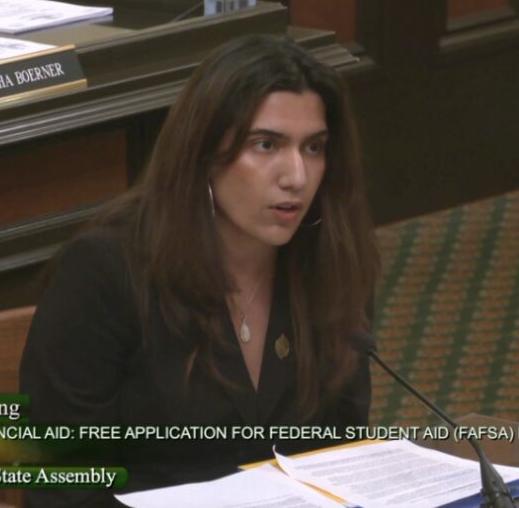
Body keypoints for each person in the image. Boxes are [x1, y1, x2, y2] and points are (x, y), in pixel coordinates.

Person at [19, 34, 379, 506]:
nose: (296, 176)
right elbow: (61, 483)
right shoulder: (104, 273)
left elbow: (341, 456)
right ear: (204, 153)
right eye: (266, 145)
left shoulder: (330, 265)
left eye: (313, 148)